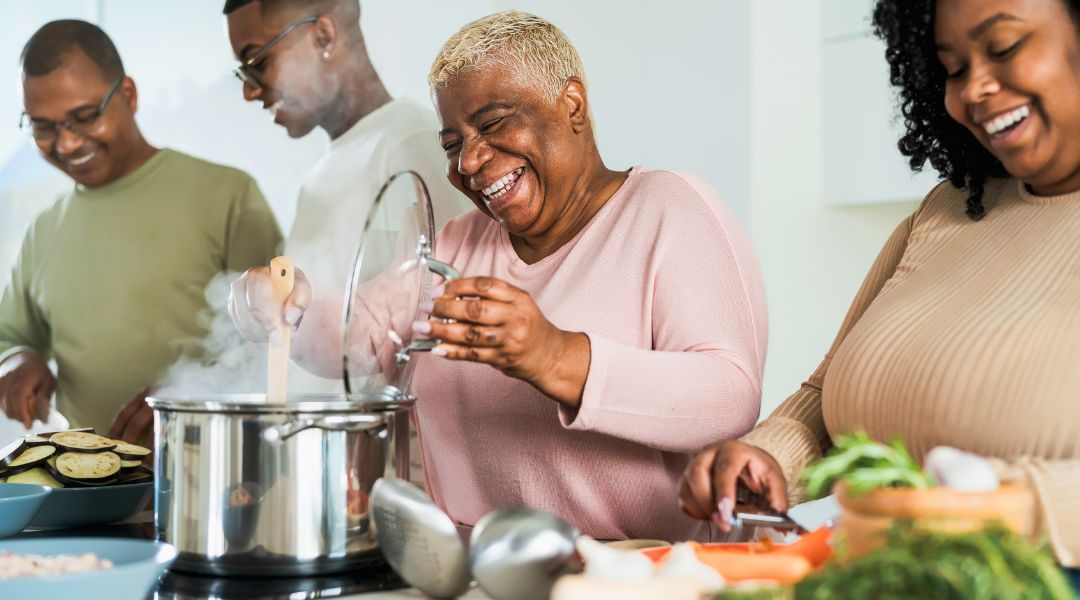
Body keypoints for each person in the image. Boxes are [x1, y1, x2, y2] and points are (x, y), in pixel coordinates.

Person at [228, 11, 768, 541]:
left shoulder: (669, 209)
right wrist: (291, 304)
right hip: (482, 569)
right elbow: (362, 338)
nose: (468, 160)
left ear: (572, 105)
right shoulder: (455, 242)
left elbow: (728, 396)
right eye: (451, 143)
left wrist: (553, 356)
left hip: (645, 572)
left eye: (491, 124)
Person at [678, 0, 1080, 573]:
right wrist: (768, 457)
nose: (975, 90)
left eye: (1004, 48)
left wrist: (1010, 502)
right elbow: (827, 394)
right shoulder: (946, 211)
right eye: (954, 68)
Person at [224, 0, 473, 486]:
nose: (250, 90)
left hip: (388, 485)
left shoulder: (410, 142)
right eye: (242, 72)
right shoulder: (319, 174)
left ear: (322, 36)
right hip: (324, 478)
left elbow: (443, 335)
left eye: (257, 61)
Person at [0, 20, 282, 444]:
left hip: (215, 479)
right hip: (87, 492)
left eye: (84, 117)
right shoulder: (43, 230)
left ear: (128, 95)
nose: (68, 144)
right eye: (44, 127)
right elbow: (13, 337)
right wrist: (16, 361)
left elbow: (281, 344)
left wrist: (187, 404)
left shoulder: (229, 196)